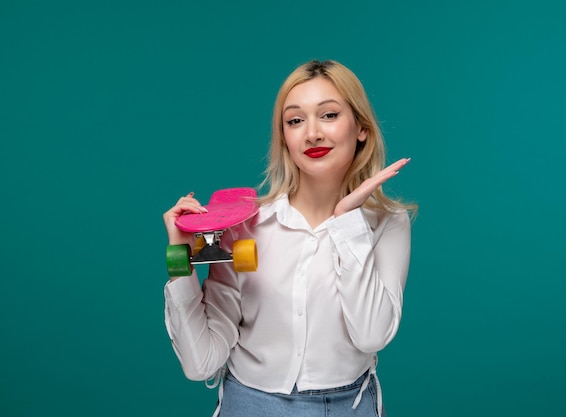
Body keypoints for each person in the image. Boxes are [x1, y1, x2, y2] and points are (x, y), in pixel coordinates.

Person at [163, 59, 416, 417]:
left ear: (361, 128)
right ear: (284, 136)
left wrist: (346, 222)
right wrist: (181, 264)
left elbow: (371, 336)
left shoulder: (388, 224)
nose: (312, 133)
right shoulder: (244, 225)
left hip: (349, 407)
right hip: (248, 405)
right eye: (295, 120)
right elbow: (201, 363)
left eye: (328, 115)